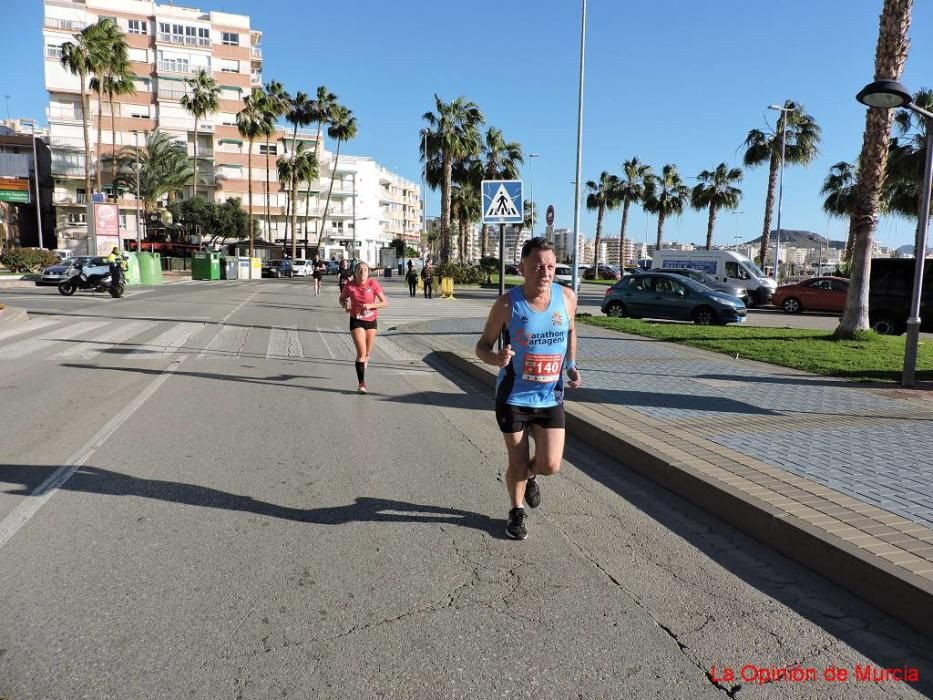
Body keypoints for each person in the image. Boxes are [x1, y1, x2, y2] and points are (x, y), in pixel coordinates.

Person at [475, 237, 581, 540]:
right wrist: (495, 358)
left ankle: (531, 476)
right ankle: (516, 511)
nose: (545, 272)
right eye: (538, 266)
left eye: (551, 266)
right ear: (523, 268)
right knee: (518, 461)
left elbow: (571, 329)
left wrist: (571, 363)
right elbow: (481, 346)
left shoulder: (568, 298)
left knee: (550, 464)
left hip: (551, 396)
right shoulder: (508, 304)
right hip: (514, 397)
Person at [338, 262, 387, 394]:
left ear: (368, 272)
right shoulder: (350, 285)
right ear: (355, 272)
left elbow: (384, 302)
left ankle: (364, 362)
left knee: (367, 353)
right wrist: (345, 305)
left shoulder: (373, 284)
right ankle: (361, 384)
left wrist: (370, 306)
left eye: (365, 269)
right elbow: (342, 299)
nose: (362, 272)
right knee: (361, 353)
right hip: (356, 321)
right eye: (360, 270)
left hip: (371, 320)